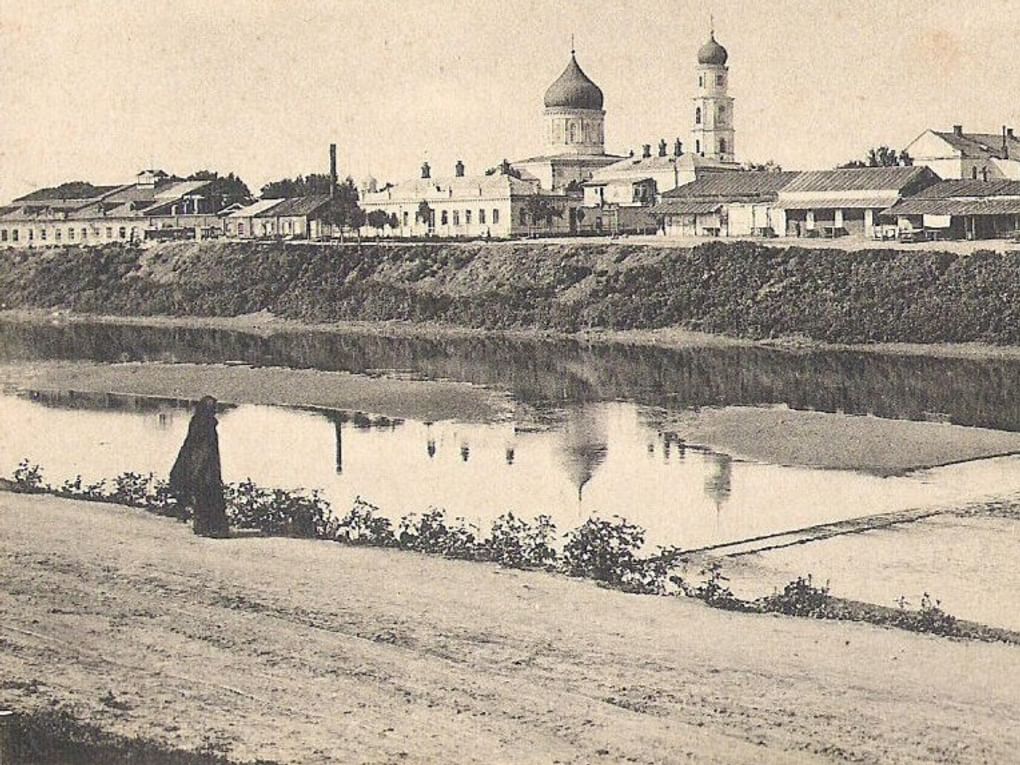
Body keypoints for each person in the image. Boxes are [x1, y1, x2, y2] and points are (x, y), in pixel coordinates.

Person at [169, 395, 229, 538]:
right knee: (207, 495)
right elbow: (203, 447)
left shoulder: (200, 422)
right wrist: (199, 467)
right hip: (203, 465)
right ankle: (210, 527)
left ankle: (205, 526)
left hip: (203, 464)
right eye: (212, 408)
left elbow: (191, 445)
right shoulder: (205, 424)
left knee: (205, 495)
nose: (214, 410)